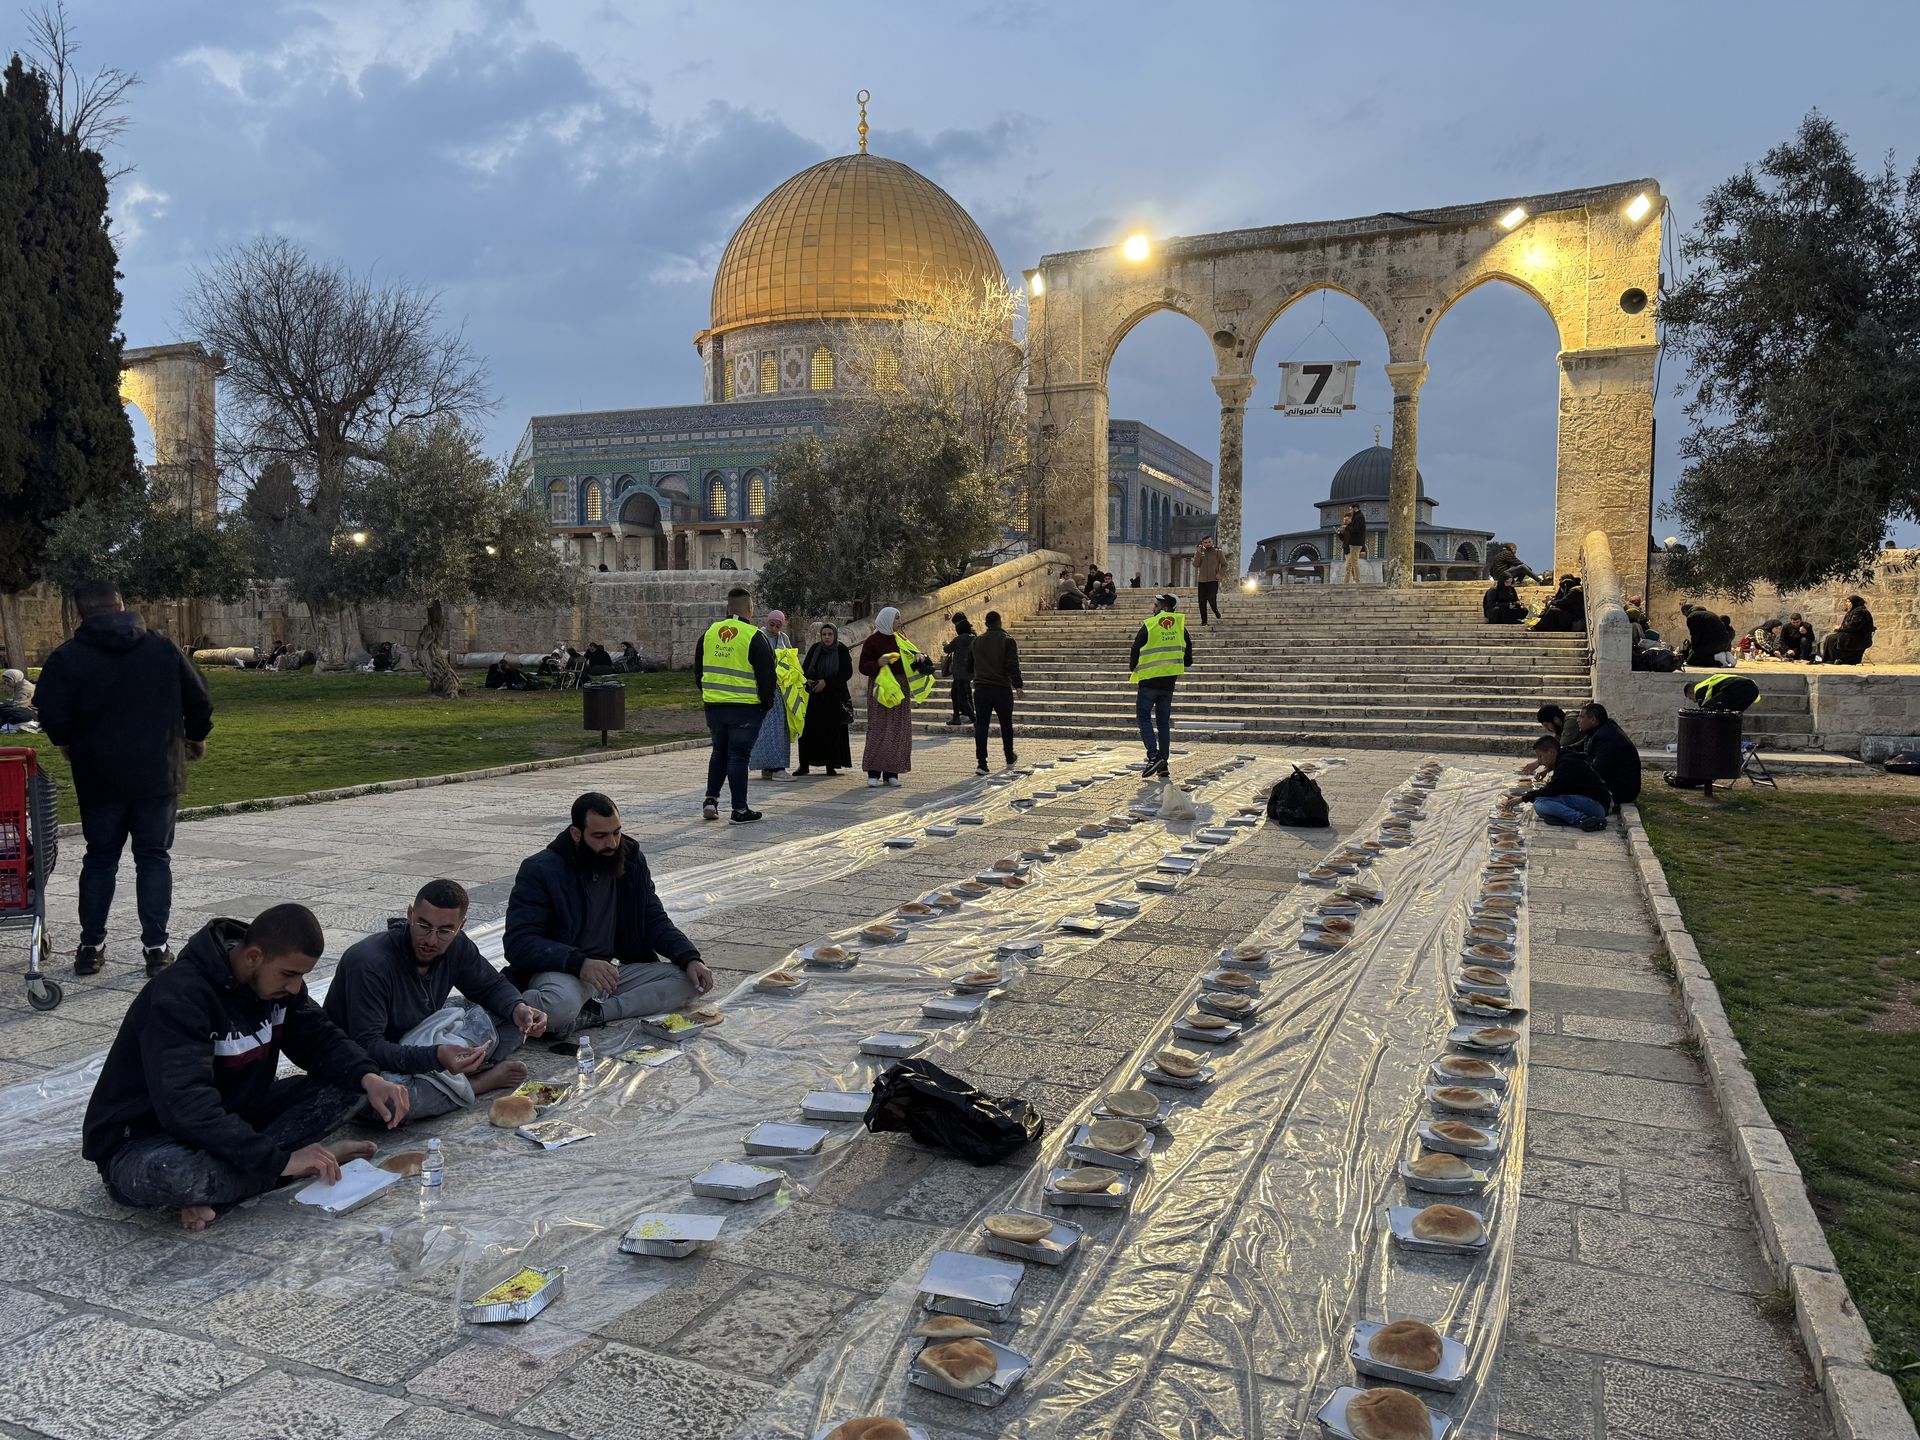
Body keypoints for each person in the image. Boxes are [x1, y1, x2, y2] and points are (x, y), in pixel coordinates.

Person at [81, 903, 411, 1232]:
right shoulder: (181, 994)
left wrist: (370, 1077)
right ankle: (284, 1169)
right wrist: (282, 1162)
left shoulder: (279, 989)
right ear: (253, 956)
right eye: (289, 974)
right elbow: (186, 1106)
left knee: (351, 1085)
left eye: (301, 976)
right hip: (147, 1140)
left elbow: (320, 1038)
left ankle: (224, 1184)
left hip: (235, 1118)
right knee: (175, 1174)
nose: (295, 987)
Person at [33, 580, 214, 978]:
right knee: (153, 857)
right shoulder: (162, 648)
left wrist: (66, 743)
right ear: (121, 605)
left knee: (100, 858)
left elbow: (49, 710)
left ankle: (90, 946)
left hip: (98, 775)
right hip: (158, 772)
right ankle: (156, 948)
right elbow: (199, 698)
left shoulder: (68, 657)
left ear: (80, 612)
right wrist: (195, 736)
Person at [324, 880, 549, 1121]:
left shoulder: (457, 945)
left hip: (427, 1037)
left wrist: (517, 1008)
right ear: (410, 914)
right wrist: (435, 1057)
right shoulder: (369, 963)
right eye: (424, 926)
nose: (431, 940)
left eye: (444, 931)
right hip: (371, 1062)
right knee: (387, 1103)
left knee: (514, 1022)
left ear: (461, 926)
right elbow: (368, 1046)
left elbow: (490, 986)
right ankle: (473, 1085)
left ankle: (450, 1080)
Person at [503, 792, 714, 1037]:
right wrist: (579, 962)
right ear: (576, 834)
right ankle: (529, 1005)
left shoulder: (630, 859)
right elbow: (519, 942)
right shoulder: (541, 869)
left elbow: (653, 918)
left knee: (691, 982)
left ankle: (594, 1013)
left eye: (616, 833)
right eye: (600, 836)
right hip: (563, 971)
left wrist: (689, 957)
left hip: (609, 975)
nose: (612, 844)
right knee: (558, 1007)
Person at [694, 587, 776, 823]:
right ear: (750, 608)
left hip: (714, 706)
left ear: (727, 608)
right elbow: (767, 676)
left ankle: (711, 800)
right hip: (745, 708)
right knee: (738, 757)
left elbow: (698, 672)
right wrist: (765, 704)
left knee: (719, 752)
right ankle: (739, 810)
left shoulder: (709, 634)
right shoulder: (754, 636)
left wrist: (710, 693)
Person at [859, 606, 932, 786]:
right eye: (897, 618)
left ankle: (892, 773)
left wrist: (919, 657)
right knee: (878, 729)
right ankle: (873, 772)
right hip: (881, 688)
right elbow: (863, 667)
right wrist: (878, 663)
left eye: (899, 618)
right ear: (887, 620)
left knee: (897, 730)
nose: (900, 622)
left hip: (900, 688)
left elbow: (913, 655)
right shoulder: (872, 641)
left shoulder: (901, 639)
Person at [1130, 593, 1191, 779]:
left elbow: (1136, 647)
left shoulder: (1150, 624)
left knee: (1143, 718)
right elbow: (1188, 659)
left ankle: (1153, 756)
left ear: (1165, 608)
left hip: (1149, 681)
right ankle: (1163, 764)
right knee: (1163, 723)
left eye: (1156, 605)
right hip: (1168, 683)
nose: (1153, 608)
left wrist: (1134, 667)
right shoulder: (1180, 628)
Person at [1514, 735, 1613, 831]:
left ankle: (1582, 819)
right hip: (1593, 804)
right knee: (1541, 804)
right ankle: (1565, 818)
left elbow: (1552, 790)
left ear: (1551, 752)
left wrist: (1523, 798)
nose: (1540, 762)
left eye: (1540, 757)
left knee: (1540, 803)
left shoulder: (1566, 763)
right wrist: (1547, 769)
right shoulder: (1564, 757)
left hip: (1596, 806)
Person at [794, 622, 853, 777]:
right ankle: (804, 765)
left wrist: (826, 682)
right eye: (824, 634)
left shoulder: (841, 650)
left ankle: (830, 765)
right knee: (808, 731)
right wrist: (810, 681)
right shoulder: (816, 649)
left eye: (830, 634)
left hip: (834, 697)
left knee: (831, 732)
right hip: (814, 697)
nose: (827, 637)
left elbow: (846, 672)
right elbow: (805, 669)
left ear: (835, 635)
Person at [970, 610, 1024, 775]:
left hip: (981, 689)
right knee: (1006, 724)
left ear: (986, 624)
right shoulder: (1007, 640)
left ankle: (982, 763)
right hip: (1001, 688)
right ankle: (1009, 756)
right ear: (1000, 622)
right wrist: (1018, 685)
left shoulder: (977, 641)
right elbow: (1012, 664)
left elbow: (968, 665)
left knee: (981, 725)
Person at [749, 609, 796, 780]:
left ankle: (772, 767)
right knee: (766, 730)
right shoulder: (758, 637)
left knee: (779, 729)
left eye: (778, 626)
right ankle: (775, 768)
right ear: (767, 622)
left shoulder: (784, 639)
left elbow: (791, 660)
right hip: (763, 688)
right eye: (772, 624)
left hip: (781, 690)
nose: (774, 628)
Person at [1576, 702, 1642, 808]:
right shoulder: (1600, 730)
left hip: (1621, 790)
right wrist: (1559, 752)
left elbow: (1597, 770)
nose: (1578, 720)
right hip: (1614, 783)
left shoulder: (1605, 737)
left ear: (1593, 720)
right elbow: (1578, 747)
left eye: (1581, 717)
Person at [1519, 703, 1582, 777]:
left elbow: (1559, 750)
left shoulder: (1571, 723)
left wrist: (1538, 763)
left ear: (1556, 719)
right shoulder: (1560, 727)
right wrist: (1546, 769)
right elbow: (1556, 746)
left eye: (1546, 725)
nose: (1547, 729)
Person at [942, 612, 976, 726]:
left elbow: (947, 649)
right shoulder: (974, 637)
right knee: (960, 694)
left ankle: (973, 718)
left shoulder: (958, 639)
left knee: (961, 696)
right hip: (970, 671)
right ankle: (957, 717)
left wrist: (945, 644)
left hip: (959, 672)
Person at [1820, 595, 1875, 665]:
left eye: (1849, 602)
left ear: (1854, 602)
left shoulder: (1861, 612)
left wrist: (1840, 628)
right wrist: (1840, 628)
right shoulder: (1853, 611)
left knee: (1832, 639)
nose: (1847, 603)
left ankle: (1842, 658)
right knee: (1830, 638)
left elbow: (1853, 626)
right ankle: (1832, 659)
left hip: (1859, 637)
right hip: (1851, 634)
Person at [1194, 537, 1225, 622]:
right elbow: (1196, 564)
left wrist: (1220, 573)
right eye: (1205, 542)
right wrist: (1198, 553)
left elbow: (1224, 564)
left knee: (1211, 598)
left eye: (1209, 542)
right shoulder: (1200, 552)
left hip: (1213, 580)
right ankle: (1204, 621)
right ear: (1202, 543)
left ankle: (1215, 610)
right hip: (1202, 581)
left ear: (1212, 542)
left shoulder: (1218, 552)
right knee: (1201, 601)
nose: (1208, 544)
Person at [1337, 505, 1368, 585]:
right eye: (1344, 520)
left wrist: (1363, 549)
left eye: (1346, 520)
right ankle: (1355, 580)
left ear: (1351, 519)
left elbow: (1361, 537)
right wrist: (1339, 534)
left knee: (1348, 567)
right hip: (1346, 550)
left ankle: (1346, 583)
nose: (1345, 521)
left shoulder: (1353, 527)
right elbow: (1344, 539)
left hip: (1352, 549)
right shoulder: (1347, 528)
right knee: (1351, 567)